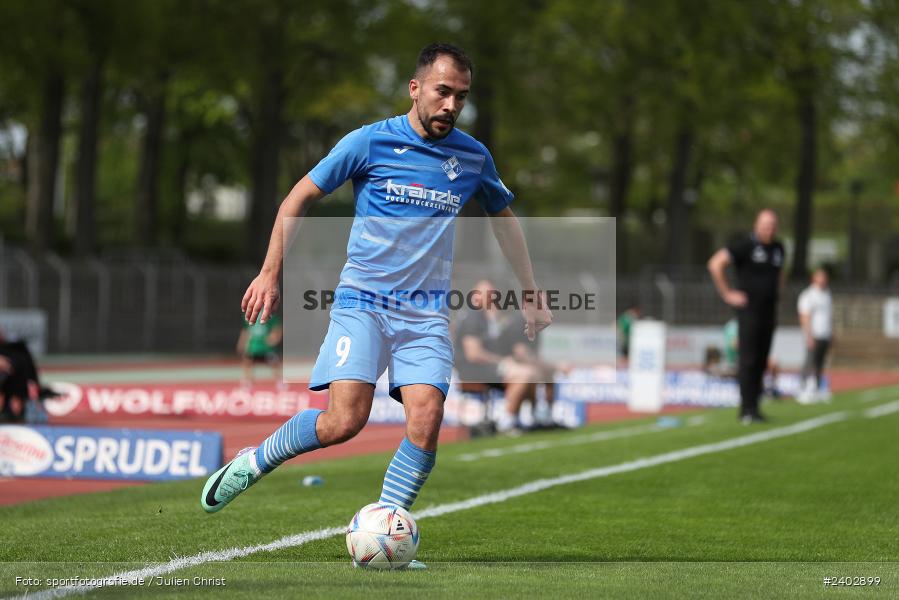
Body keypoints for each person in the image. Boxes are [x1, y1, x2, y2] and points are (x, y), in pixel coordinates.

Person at [200, 43, 553, 544]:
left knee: (427, 420)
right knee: (345, 421)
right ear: (415, 89)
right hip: (362, 303)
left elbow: (505, 221)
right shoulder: (369, 142)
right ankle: (256, 459)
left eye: (462, 96)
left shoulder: (473, 157)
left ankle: (381, 533)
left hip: (426, 314)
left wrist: (531, 292)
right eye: (443, 91)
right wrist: (269, 272)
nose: (452, 105)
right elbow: (298, 197)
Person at [707, 209, 785, 424]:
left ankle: (756, 407)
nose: (769, 229)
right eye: (765, 225)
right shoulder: (745, 245)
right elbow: (715, 263)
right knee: (748, 360)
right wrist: (727, 293)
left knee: (762, 360)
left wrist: (778, 294)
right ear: (756, 225)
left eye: (772, 225)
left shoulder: (779, 248)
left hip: (769, 311)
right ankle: (746, 409)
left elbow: (780, 274)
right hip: (749, 312)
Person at [453, 279, 543, 434]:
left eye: (493, 294)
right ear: (476, 296)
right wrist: (502, 361)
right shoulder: (472, 316)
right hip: (472, 370)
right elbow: (473, 354)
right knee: (526, 374)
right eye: (488, 294)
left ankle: (532, 417)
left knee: (531, 372)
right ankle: (506, 422)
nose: (492, 298)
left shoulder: (485, 316)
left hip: (483, 367)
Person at [797, 267, 833, 403]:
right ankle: (802, 388)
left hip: (825, 334)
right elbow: (805, 316)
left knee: (820, 363)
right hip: (814, 334)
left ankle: (818, 388)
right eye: (820, 277)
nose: (823, 280)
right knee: (809, 361)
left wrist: (831, 331)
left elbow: (829, 315)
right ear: (814, 278)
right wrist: (808, 335)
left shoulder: (827, 294)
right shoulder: (808, 295)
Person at [237, 313, 284, 389]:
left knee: (274, 363)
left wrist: (274, 338)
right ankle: (247, 382)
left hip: (266, 346)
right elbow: (246, 331)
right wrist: (242, 342)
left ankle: (280, 381)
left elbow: (277, 328)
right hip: (253, 346)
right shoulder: (248, 315)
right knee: (247, 362)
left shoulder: (269, 315)